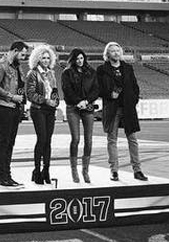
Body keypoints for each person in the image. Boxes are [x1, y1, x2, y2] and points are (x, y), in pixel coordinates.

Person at [97, 42, 147, 182]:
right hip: (112, 109)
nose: (116, 53)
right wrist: (108, 94)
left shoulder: (128, 68)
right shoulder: (102, 69)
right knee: (112, 140)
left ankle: (137, 170)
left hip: (127, 109)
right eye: (112, 51)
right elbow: (98, 89)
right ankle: (114, 171)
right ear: (107, 54)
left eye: (117, 50)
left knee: (133, 139)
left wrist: (133, 101)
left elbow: (135, 88)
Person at [0, 40, 28, 188]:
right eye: (23, 54)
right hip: (4, 107)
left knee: (10, 144)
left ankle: (8, 176)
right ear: (15, 51)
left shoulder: (17, 68)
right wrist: (11, 97)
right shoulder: (1, 66)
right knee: (4, 143)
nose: (23, 58)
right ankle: (2, 178)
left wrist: (20, 100)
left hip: (14, 108)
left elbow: (19, 87)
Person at [61, 48, 100, 184]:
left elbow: (96, 90)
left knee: (88, 140)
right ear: (73, 59)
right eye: (77, 58)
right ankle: (74, 170)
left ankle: (85, 170)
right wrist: (78, 102)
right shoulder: (67, 73)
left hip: (88, 108)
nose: (79, 61)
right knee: (76, 138)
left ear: (85, 58)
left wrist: (86, 101)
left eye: (81, 58)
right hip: (73, 108)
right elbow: (67, 91)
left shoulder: (91, 72)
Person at [25, 45, 59, 185]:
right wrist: (46, 101)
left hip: (50, 110)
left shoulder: (51, 73)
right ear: (37, 59)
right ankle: (37, 170)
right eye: (43, 58)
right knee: (42, 138)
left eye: (47, 58)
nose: (45, 60)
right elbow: (30, 94)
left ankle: (46, 170)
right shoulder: (32, 73)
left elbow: (55, 91)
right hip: (38, 109)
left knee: (48, 141)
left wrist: (55, 101)